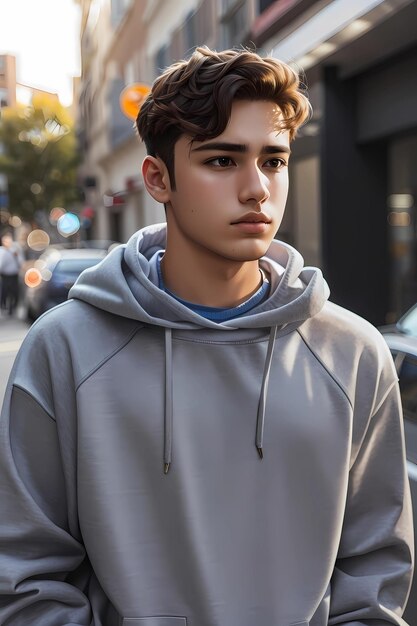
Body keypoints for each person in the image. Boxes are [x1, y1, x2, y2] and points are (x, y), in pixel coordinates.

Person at [0, 47, 413, 626]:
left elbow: (374, 574)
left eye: (274, 160)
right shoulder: (64, 350)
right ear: (158, 178)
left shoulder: (353, 353)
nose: (256, 189)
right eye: (222, 161)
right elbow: (24, 574)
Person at [0, 232, 23, 316]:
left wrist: (16, 256)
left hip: (14, 275)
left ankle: (12, 308)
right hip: (4, 275)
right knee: (4, 292)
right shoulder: (1, 251)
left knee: (14, 293)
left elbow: (21, 262)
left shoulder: (15, 251)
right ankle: (4, 307)